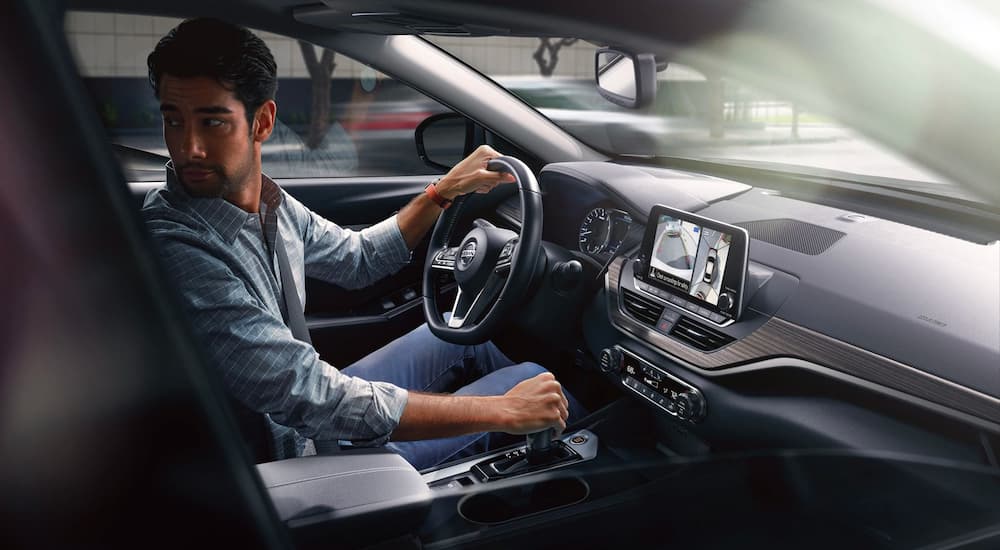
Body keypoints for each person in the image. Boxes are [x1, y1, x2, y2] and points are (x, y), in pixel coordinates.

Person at [141, 17, 583, 469]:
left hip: (309, 416)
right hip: (292, 460)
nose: (188, 147)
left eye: (212, 122)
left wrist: (443, 191)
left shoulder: (267, 201)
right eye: (173, 121)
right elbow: (313, 398)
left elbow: (358, 259)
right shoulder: (177, 245)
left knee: (466, 335)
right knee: (533, 383)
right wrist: (504, 411)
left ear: (263, 122)